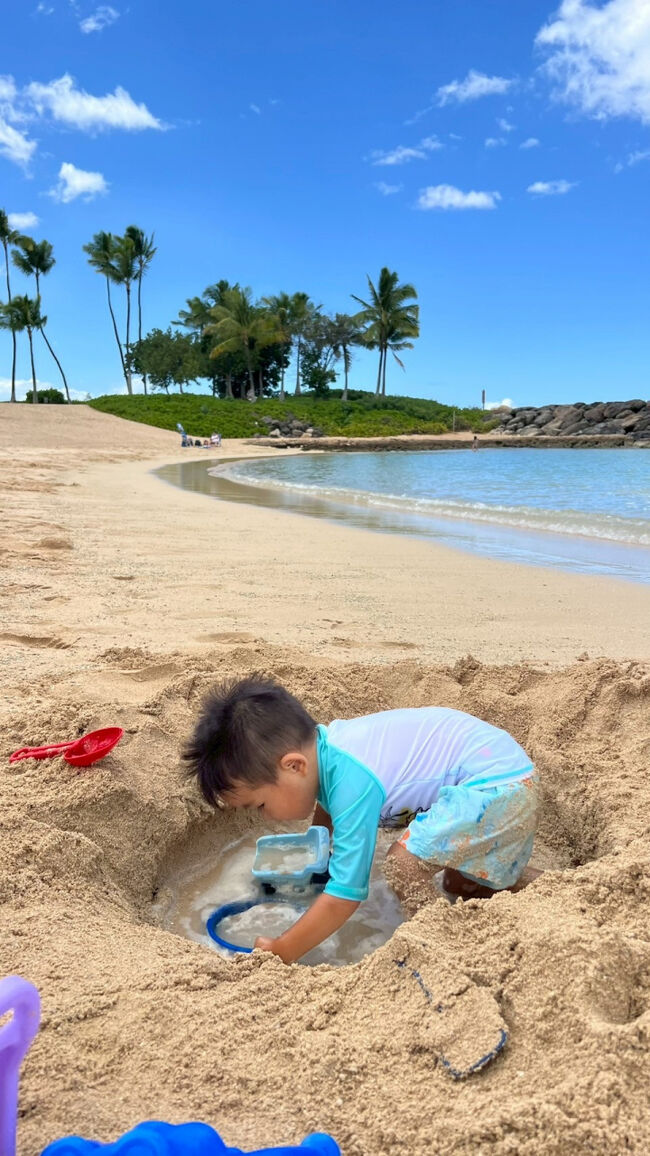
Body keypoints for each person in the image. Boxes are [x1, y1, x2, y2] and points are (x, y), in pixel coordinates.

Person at [183, 677, 540, 964]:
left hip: (497, 790)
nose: (264, 817)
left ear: (294, 766)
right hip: (505, 779)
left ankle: (443, 946)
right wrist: (318, 841)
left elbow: (345, 896)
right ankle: (540, 887)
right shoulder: (327, 752)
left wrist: (285, 948)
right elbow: (327, 807)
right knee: (460, 885)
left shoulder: (353, 783)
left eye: (259, 804)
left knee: (402, 865)